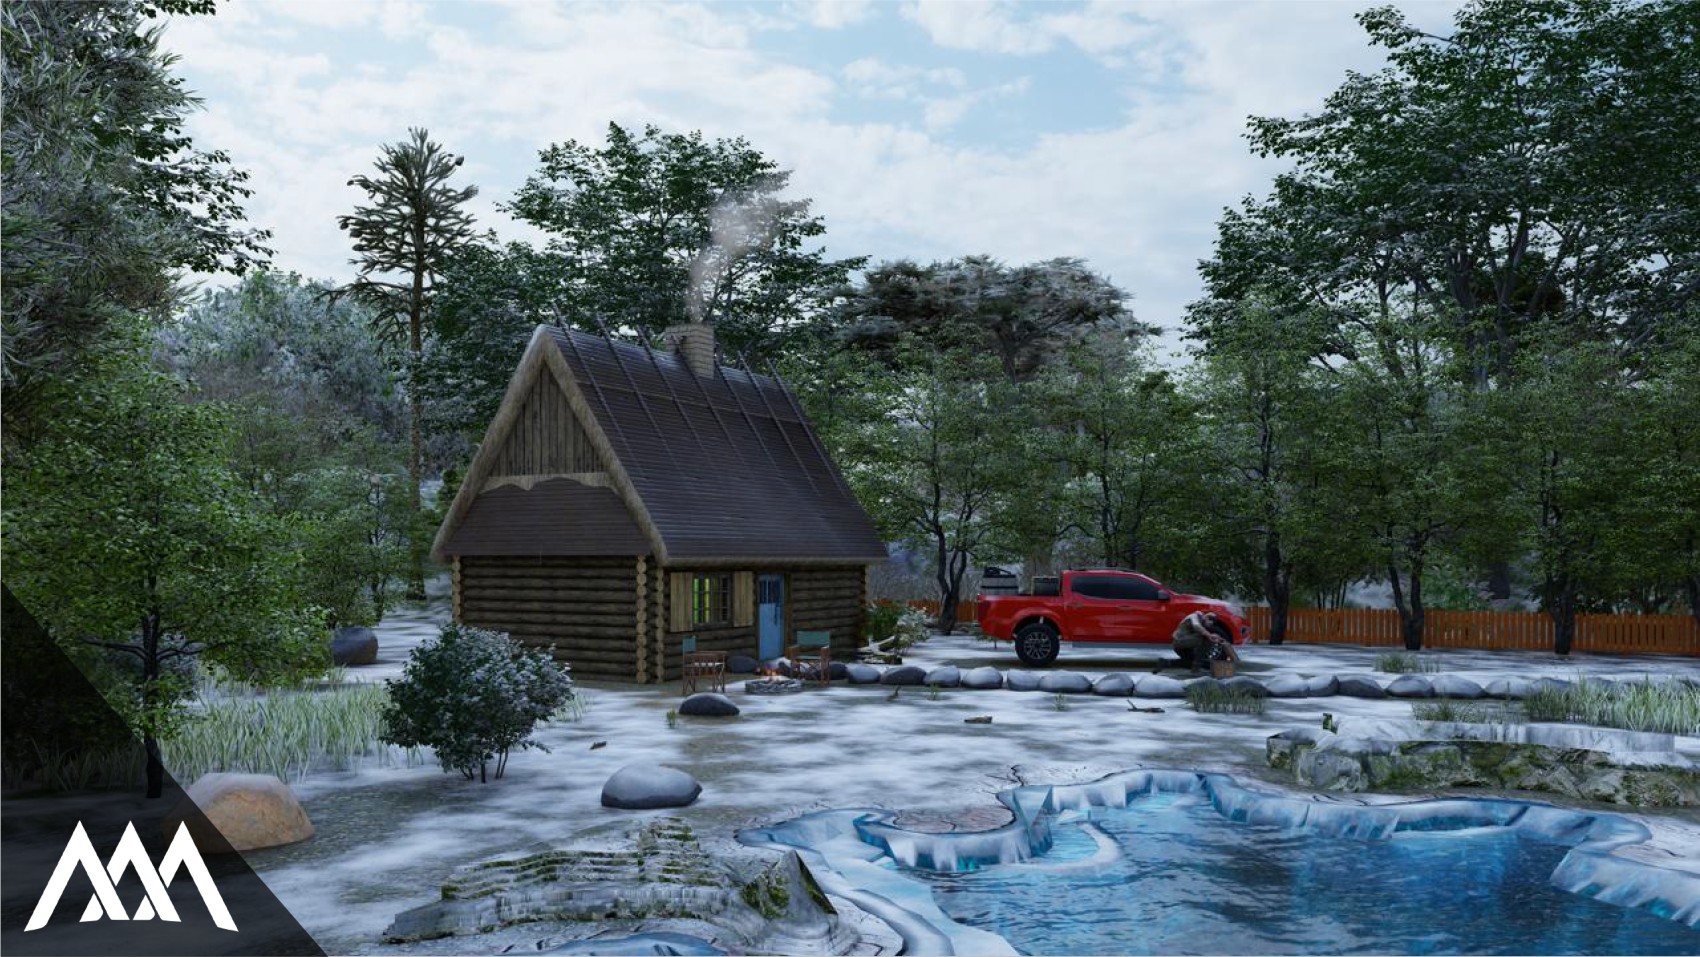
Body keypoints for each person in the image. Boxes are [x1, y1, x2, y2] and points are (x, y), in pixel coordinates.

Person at [1172, 611, 1238, 674]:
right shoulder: (1194, 616)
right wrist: (1209, 635)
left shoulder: (1202, 623)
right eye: (1210, 619)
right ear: (1206, 617)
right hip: (1179, 642)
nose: (1211, 622)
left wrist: (1219, 639)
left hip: (1186, 647)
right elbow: (1196, 626)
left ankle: (1165, 663)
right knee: (1207, 639)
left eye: (1213, 621)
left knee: (1190, 663)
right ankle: (1196, 668)